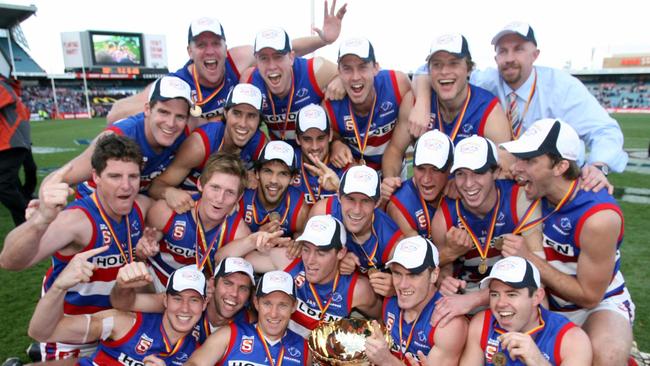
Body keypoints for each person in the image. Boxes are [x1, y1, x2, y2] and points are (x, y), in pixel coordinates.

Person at [410, 22, 623, 193]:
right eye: (503, 51)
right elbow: (430, 69)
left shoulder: (561, 87)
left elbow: (605, 130)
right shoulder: (487, 80)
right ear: (495, 57)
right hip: (509, 183)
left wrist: (598, 166)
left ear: (535, 54)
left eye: (518, 49)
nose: (509, 58)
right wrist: (422, 102)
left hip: (554, 183)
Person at [0, 134, 153, 359]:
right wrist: (41, 218)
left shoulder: (141, 207)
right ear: (95, 178)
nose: (126, 185)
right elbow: (10, 261)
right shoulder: (77, 220)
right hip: (70, 331)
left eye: (133, 176)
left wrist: (154, 235)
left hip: (115, 326)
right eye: (114, 176)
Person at [501, 118, 634, 366]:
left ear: (560, 166)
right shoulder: (531, 188)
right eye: (519, 158)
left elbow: (589, 296)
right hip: (545, 298)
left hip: (598, 304)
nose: (517, 168)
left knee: (607, 357)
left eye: (529, 161)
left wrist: (529, 259)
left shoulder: (598, 216)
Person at [107, 4, 347, 124]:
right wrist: (179, 111)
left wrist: (323, 40)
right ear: (189, 51)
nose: (209, 51)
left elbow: (283, 49)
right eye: (201, 45)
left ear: (224, 46)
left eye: (215, 43)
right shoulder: (176, 84)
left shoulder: (236, 60)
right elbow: (115, 114)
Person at [430, 135, 543, 327]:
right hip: (465, 291)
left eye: (478, 173)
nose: (468, 183)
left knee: (538, 302)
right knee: (443, 323)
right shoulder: (444, 216)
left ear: (496, 172)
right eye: (461, 174)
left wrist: (477, 299)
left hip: (512, 291)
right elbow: (442, 266)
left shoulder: (518, 198)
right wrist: (445, 279)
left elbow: (538, 274)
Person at [217, 214, 381, 338]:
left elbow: (381, 319)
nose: (310, 260)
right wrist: (254, 240)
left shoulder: (357, 289)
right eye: (306, 249)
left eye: (321, 253)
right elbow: (224, 260)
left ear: (341, 253)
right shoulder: (289, 261)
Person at [29, 259, 208, 366]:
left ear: (204, 304)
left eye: (194, 300)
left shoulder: (195, 353)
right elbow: (43, 332)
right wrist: (58, 287)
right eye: (177, 298)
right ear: (165, 300)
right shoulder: (124, 322)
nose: (185, 308)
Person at [383, 33, 511, 182]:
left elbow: (505, 167)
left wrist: (462, 186)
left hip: (468, 194)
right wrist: (390, 179)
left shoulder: (489, 110)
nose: (444, 71)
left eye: (453, 63)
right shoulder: (414, 102)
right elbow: (394, 151)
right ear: (429, 70)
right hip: (425, 189)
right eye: (437, 64)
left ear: (468, 69)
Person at [43, 75, 193, 197]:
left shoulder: (184, 134)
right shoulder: (120, 136)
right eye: (164, 112)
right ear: (147, 109)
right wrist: (44, 203)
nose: (171, 123)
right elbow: (60, 177)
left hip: (133, 204)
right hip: (96, 205)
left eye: (180, 116)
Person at [142, 151, 276, 287]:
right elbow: (139, 255)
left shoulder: (239, 233)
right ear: (200, 184)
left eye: (230, 192)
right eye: (215, 188)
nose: (220, 199)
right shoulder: (167, 211)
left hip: (197, 295)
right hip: (156, 282)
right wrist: (143, 249)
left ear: (239, 196)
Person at [148, 83, 267, 212]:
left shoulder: (260, 144)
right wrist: (169, 192)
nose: (243, 124)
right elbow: (156, 186)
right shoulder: (199, 145)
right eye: (237, 113)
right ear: (226, 113)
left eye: (251, 116)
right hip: (191, 206)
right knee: (160, 210)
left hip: (227, 204)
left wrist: (254, 178)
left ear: (259, 120)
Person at [461, 256, 592, 365]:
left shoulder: (571, 339)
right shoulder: (482, 323)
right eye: (495, 294)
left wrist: (538, 361)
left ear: (537, 297)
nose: (500, 303)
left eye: (512, 294)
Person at [364, 236, 467, 365]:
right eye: (397, 273)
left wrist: (387, 361)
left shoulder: (449, 324)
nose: (402, 285)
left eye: (413, 275)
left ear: (434, 275)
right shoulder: (390, 301)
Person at [110, 257, 257, 342]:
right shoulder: (186, 299)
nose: (234, 294)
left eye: (243, 288)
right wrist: (122, 286)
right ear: (212, 284)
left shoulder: (250, 321)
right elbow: (124, 303)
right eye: (227, 283)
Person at [310, 165, 403, 296]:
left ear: (377, 203)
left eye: (365, 201)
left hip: (364, 298)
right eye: (350, 199)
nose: (356, 210)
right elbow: (306, 255)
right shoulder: (322, 212)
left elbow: (413, 283)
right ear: (339, 196)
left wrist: (396, 288)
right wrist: (335, 261)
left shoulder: (393, 243)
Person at [185, 270, 312, 365]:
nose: (274, 313)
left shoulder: (304, 349)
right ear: (256, 303)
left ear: (294, 306)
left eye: (283, 305)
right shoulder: (229, 335)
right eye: (267, 304)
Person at [325, 37, 413, 171]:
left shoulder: (397, 84)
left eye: (362, 67)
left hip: (394, 170)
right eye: (347, 69)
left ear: (376, 68)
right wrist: (335, 144)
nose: (355, 77)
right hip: (355, 174)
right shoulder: (330, 105)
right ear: (339, 71)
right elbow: (329, 136)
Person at [243, 27, 338, 146]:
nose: (272, 66)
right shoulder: (249, 81)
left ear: (291, 58)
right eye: (264, 58)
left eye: (278, 56)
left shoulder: (314, 70)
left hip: (316, 151)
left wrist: (340, 80)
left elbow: (351, 76)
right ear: (256, 61)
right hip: (280, 155)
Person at [385, 129, 453, 238]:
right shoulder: (401, 206)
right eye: (421, 168)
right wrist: (449, 252)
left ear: (450, 168)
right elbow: (418, 255)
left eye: (435, 169)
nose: (426, 179)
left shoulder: (461, 190)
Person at [239, 140, 310, 237]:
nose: (274, 180)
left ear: (292, 179)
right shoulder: (241, 198)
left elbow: (303, 248)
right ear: (257, 173)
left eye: (283, 174)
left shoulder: (299, 211)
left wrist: (292, 246)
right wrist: (254, 238)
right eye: (268, 171)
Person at [291, 103, 345, 204]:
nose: (315, 147)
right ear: (297, 139)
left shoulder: (344, 164)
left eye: (320, 138)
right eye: (307, 139)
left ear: (330, 135)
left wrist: (339, 188)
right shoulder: (288, 163)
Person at [0, 72, 32, 226]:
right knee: (11, 185)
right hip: (10, 142)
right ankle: (24, 224)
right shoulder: (6, 85)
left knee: (4, 185)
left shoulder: (3, 86)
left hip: (10, 143)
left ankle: (29, 215)